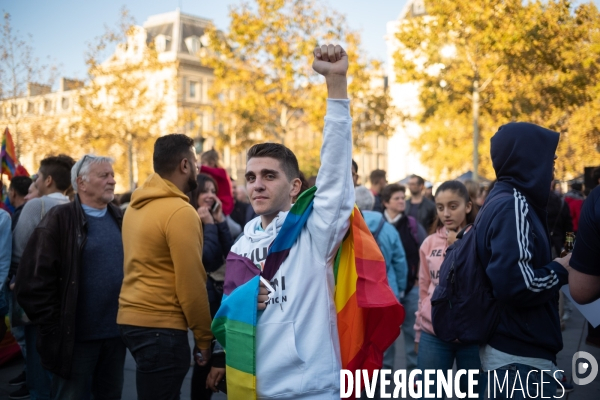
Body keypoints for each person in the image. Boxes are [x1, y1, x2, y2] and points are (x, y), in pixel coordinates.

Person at [207, 43, 354, 399]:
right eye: (252, 176)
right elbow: (227, 313)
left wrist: (336, 86)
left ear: (295, 187)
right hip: (255, 388)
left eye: (269, 176)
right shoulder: (241, 245)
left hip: (314, 388)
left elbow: (335, 175)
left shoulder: (314, 234)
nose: (257, 184)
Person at [15, 155, 126, 399]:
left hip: (116, 337)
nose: (113, 181)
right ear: (81, 183)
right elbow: (30, 283)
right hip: (75, 340)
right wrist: (56, 326)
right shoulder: (59, 220)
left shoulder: (120, 218)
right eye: (104, 175)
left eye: (112, 175)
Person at [476, 123, 571, 398]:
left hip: (513, 356)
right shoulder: (513, 202)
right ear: (528, 157)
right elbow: (517, 285)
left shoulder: (504, 198)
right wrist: (560, 269)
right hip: (519, 359)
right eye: (548, 156)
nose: (553, 164)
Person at [118, 134, 213, 400]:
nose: (198, 168)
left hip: (131, 320)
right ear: (184, 165)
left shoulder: (135, 207)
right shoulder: (181, 212)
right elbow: (192, 283)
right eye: (195, 162)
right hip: (161, 327)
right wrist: (204, 340)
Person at [12, 154, 75, 400]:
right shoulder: (76, 206)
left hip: (37, 296)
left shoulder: (35, 206)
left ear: (48, 180)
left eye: (37, 176)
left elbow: (19, 251)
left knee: (39, 366)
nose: (34, 180)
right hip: (67, 296)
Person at [415, 181, 481, 398]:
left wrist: (460, 245)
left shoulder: (480, 240)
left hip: (472, 334)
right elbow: (424, 289)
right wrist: (418, 333)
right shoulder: (429, 243)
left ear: (468, 207)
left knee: (472, 394)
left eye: (453, 206)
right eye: (440, 207)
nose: (446, 213)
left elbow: (475, 280)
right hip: (433, 333)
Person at [189, 173, 233, 400]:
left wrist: (219, 220)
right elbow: (207, 257)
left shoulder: (212, 218)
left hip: (220, 293)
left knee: (219, 354)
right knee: (203, 357)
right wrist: (209, 225)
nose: (210, 195)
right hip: (204, 296)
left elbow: (231, 254)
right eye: (204, 191)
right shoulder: (190, 219)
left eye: (213, 191)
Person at [355, 185, 407, 371]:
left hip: (357, 294)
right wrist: (400, 288)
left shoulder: (349, 227)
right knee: (384, 345)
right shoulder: (387, 228)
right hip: (386, 292)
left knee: (359, 344)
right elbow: (400, 262)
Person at [380, 183, 427, 375]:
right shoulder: (376, 224)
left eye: (403, 197)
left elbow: (424, 252)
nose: (402, 201)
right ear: (385, 202)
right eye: (397, 198)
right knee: (386, 335)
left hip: (410, 288)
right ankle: (384, 373)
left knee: (411, 333)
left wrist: (418, 278)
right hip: (383, 290)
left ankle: (414, 375)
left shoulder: (412, 225)